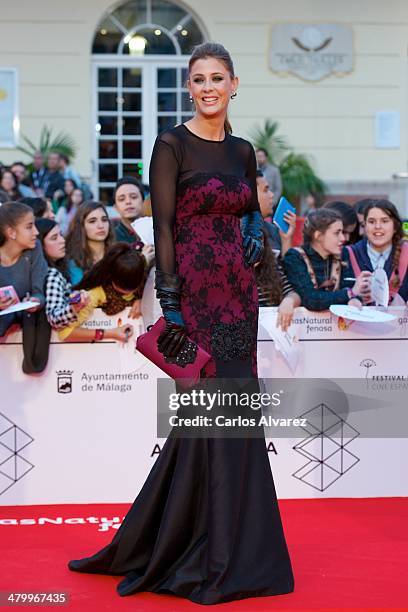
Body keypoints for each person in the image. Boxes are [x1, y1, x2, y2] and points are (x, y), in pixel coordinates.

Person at [68, 42, 294, 605]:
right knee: (207, 413)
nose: (209, 87)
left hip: (240, 294)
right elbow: (163, 227)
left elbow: (251, 215)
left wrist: (252, 237)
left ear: (234, 84)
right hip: (193, 292)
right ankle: (197, 548)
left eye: (218, 77)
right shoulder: (171, 144)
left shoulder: (244, 151)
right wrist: (170, 302)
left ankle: (238, 547)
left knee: (233, 417)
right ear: (189, 88)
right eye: (199, 79)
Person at [36, 219, 137, 342]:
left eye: (61, 235)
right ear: (40, 245)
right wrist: (74, 308)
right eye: (54, 238)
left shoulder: (61, 268)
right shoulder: (53, 274)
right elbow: (54, 318)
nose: (62, 241)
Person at [284, 209, 372, 311]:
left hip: (336, 325)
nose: (343, 238)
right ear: (318, 236)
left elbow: (350, 286)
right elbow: (310, 299)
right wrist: (350, 294)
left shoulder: (343, 254)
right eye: (337, 233)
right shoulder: (295, 257)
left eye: (342, 232)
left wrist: (355, 299)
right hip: (303, 324)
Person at [0, 201, 50, 373]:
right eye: (29, 227)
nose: (36, 232)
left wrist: (35, 301)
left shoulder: (34, 250)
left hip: (29, 324)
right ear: (11, 232)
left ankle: (32, 364)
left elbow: (40, 293)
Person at [346, 199, 408, 303]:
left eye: (384, 221)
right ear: (364, 226)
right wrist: (351, 293)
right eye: (371, 222)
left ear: (395, 227)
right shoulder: (348, 254)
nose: (377, 226)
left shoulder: (406, 253)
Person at [65, 201, 115, 284]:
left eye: (104, 220)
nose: (100, 226)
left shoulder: (118, 254)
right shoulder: (74, 261)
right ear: (81, 226)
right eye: (92, 221)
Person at [257, 169, 296, 256]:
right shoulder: (232, 233)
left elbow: (285, 268)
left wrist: (286, 239)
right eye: (265, 190)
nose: (272, 195)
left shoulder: (274, 231)